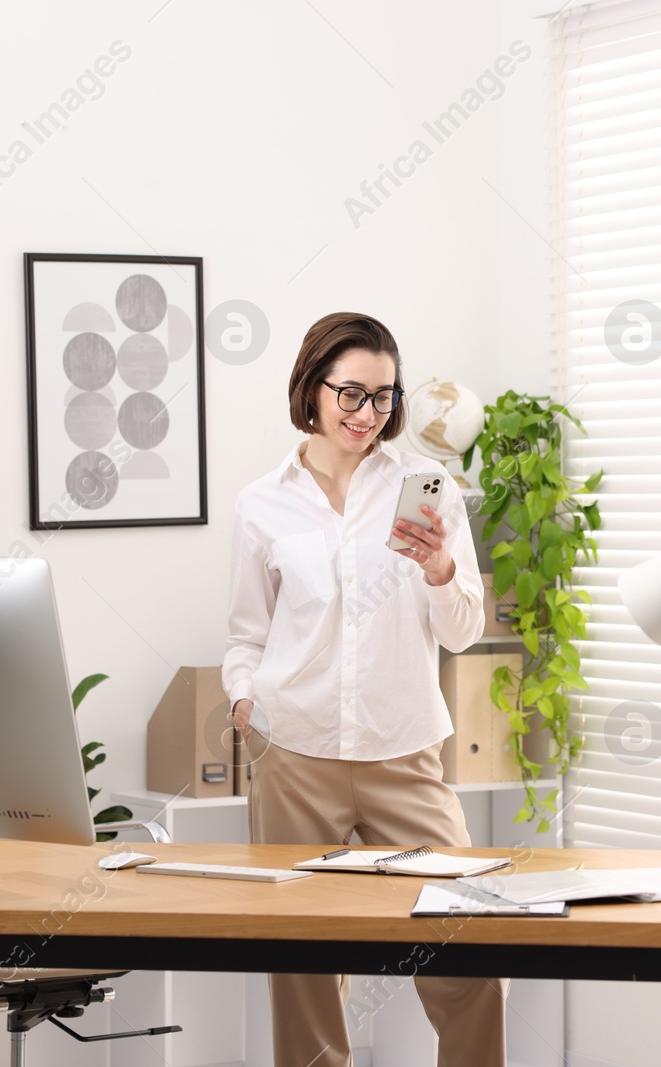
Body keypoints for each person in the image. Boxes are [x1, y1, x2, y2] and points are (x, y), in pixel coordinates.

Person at [221, 311, 507, 1067]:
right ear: (312, 390)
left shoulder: (428, 492)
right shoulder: (262, 503)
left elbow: (464, 630)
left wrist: (442, 570)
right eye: (351, 393)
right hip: (294, 752)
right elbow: (247, 633)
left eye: (384, 397)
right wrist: (244, 697)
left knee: (467, 947)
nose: (368, 414)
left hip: (403, 750)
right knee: (306, 972)